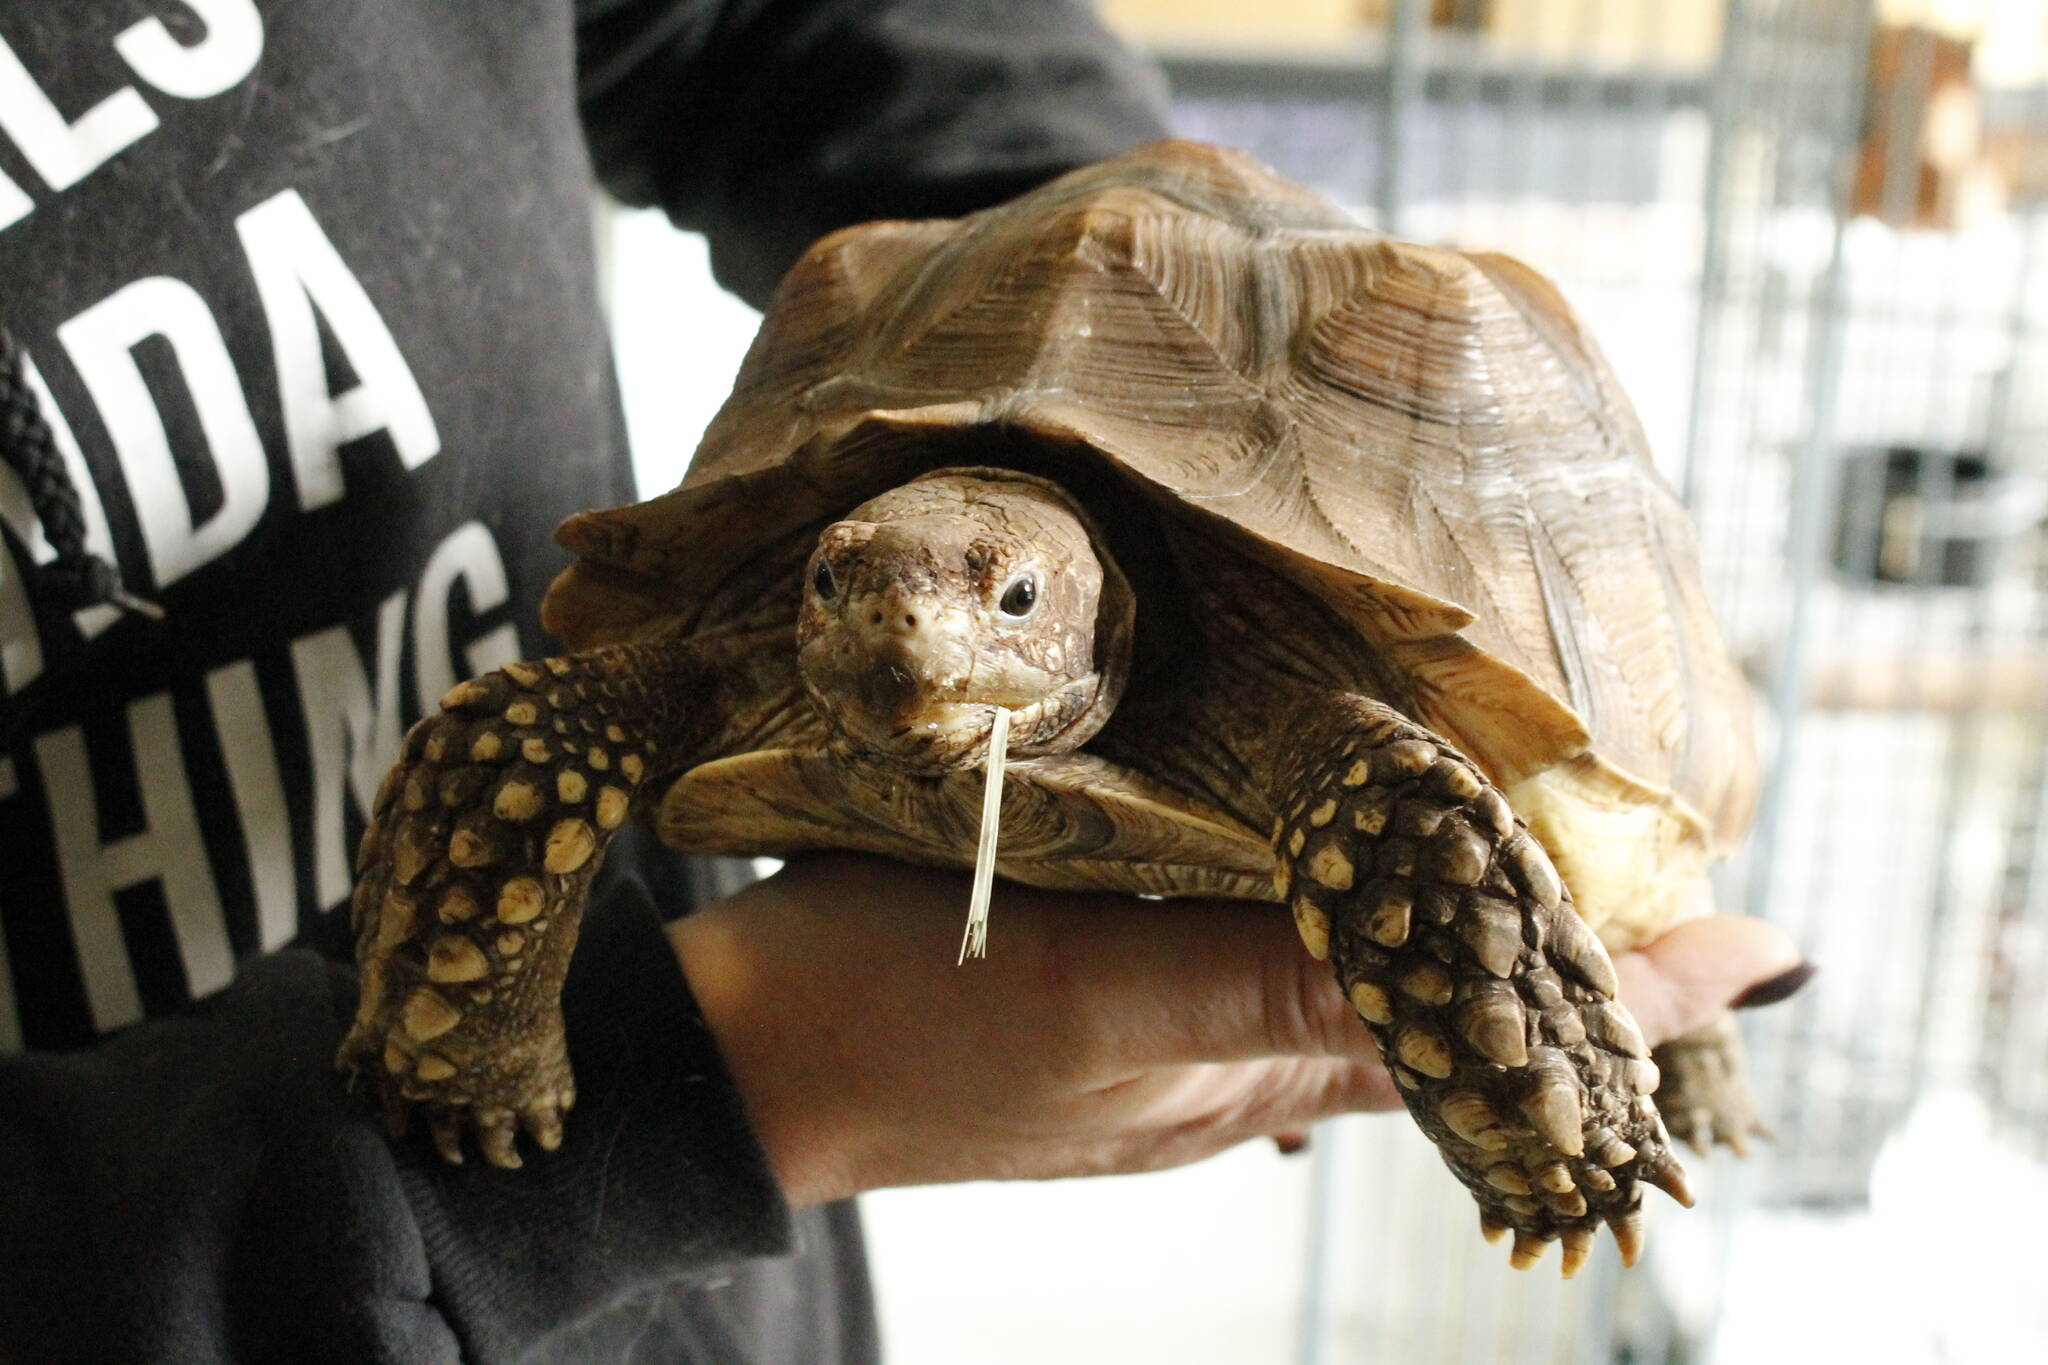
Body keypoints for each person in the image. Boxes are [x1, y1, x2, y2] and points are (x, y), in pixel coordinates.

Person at [0, 2, 1807, 1361]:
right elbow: (535, 733)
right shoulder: (769, 643)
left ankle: (1667, 1036)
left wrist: (1117, 239)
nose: (903, 633)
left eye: (997, 596)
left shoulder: (1307, 696)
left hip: (716, 1305)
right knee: (541, 730)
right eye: (845, 583)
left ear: (1082, 606)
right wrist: (523, 1087)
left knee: (1513, 879)